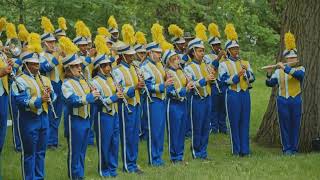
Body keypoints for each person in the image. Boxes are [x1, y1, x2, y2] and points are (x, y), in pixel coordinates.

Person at [12, 33, 55, 180]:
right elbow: (21, 101)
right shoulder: (19, 80)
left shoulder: (44, 79)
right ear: (26, 65)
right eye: (34, 64)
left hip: (44, 118)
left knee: (41, 152)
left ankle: (39, 177)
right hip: (28, 120)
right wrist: (39, 100)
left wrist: (50, 97)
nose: (37, 67)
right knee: (29, 153)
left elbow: (53, 96)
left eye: (38, 64)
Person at [60, 37, 100, 179]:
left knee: (82, 151)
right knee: (75, 152)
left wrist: (96, 94)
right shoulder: (66, 84)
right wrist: (89, 97)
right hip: (75, 120)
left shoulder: (84, 81)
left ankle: (80, 176)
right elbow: (72, 101)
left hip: (86, 119)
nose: (80, 68)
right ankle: (74, 177)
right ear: (68, 68)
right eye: (76, 66)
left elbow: (90, 98)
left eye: (80, 66)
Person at [265, 32, 304, 155]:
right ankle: (286, 148)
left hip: (296, 99)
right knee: (284, 125)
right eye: (289, 58)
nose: (292, 60)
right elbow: (270, 84)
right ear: (285, 59)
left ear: (296, 59)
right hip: (282, 100)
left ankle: (294, 148)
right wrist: (269, 73)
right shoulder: (278, 72)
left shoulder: (300, 69)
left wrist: (285, 68)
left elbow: (299, 76)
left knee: (295, 124)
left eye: (294, 58)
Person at [219, 24, 255, 156]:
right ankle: (236, 150)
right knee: (234, 122)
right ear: (228, 50)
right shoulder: (223, 64)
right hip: (233, 94)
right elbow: (223, 81)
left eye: (237, 48)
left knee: (245, 121)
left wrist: (247, 75)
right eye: (233, 49)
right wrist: (236, 77)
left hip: (245, 94)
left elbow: (253, 78)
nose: (236, 51)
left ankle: (245, 150)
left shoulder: (245, 62)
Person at [112, 24, 144, 174]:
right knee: (127, 134)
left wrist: (141, 86)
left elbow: (139, 87)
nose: (133, 57)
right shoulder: (117, 71)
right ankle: (127, 164)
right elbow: (119, 90)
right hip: (126, 106)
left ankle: (133, 162)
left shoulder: (134, 68)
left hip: (136, 104)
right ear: (123, 56)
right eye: (130, 55)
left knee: (135, 135)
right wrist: (135, 88)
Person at [91, 35, 122, 177]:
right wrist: (114, 97)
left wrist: (119, 93)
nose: (109, 68)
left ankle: (113, 168)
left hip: (114, 114)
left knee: (115, 142)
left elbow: (116, 95)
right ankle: (104, 170)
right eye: (105, 66)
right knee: (105, 143)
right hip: (103, 115)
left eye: (109, 65)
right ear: (99, 67)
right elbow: (98, 100)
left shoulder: (112, 79)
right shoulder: (95, 81)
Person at [184, 36, 215, 159]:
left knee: (206, 126)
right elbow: (190, 84)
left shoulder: (205, 65)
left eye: (203, 51)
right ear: (193, 52)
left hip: (207, 98)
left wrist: (212, 78)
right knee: (197, 126)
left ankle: (203, 151)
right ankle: (196, 152)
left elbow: (210, 81)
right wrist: (205, 80)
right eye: (200, 51)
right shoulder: (188, 67)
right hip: (196, 99)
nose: (203, 53)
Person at [162, 49, 193, 163]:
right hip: (173, 104)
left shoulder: (180, 71)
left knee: (181, 130)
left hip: (183, 103)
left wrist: (189, 83)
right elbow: (171, 91)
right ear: (168, 62)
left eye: (177, 58)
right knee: (174, 130)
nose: (177, 61)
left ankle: (180, 155)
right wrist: (186, 89)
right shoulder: (167, 73)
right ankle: (174, 157)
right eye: (174, 59)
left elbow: (185, 84)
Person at [39, 16, 64, 148]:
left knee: (57, 114)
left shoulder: (57, 54)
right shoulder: (41, 56)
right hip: (49, 85)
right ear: (44, 43)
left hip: (59, 84)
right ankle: (48, 141)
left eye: (54, 42)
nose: (53, 44)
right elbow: (45, 68)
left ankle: (54, 141)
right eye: (50, 42)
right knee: (50, 113)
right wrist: (56, 56)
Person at [203, 23, 227, 134]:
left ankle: (223, 127)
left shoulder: (224, 56)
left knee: (223, 107)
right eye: (216, 45)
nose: (218, 47)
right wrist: (218, 57)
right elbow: (211, 68)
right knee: (214, 107)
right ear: (212, 46)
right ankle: (214, 127)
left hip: (223, 83)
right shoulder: (207, 57)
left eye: (219, 44)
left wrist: (225, 58)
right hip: (214, 83)